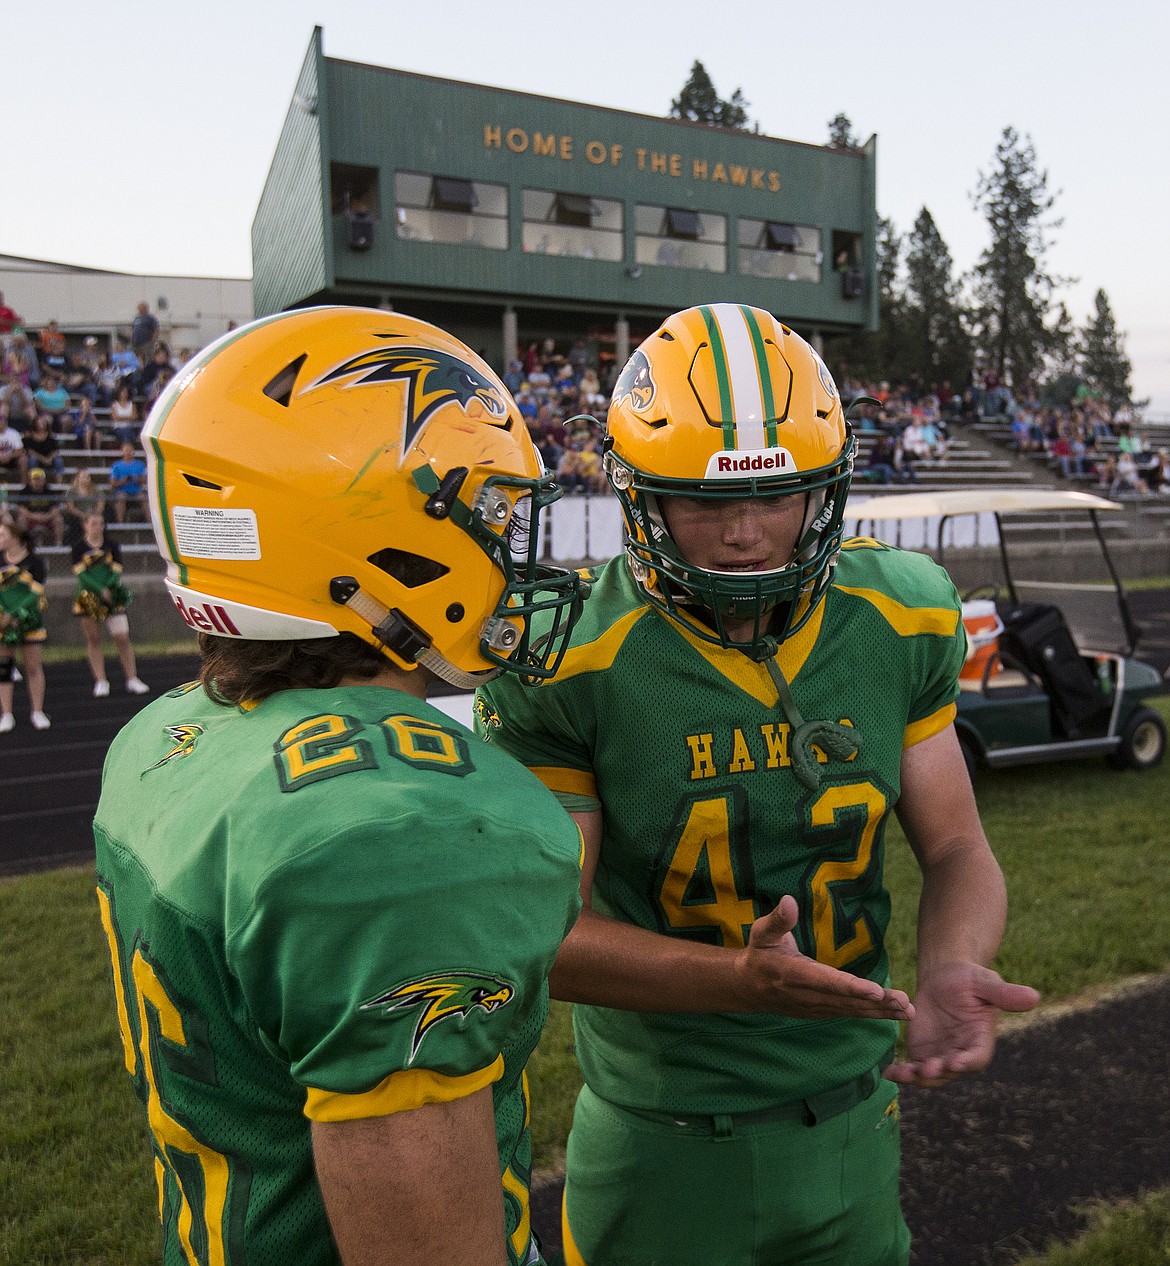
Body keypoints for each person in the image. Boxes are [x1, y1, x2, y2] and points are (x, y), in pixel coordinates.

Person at [477, 305, 1039, 1266]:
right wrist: (735, 980)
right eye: (701, 501)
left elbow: (954, 845)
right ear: (634, 493)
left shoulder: (901, 611)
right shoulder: (567, 654)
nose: (744, 534)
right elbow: (546, 935)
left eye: (777, 496)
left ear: (825, 488)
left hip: (860, 1119)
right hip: (670, 1134)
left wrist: (952, 959)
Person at [93, 306, 590, 1266]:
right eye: (490, 515)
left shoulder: (165, 732)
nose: (510, 551)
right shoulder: (397, 831)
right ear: (378, 541)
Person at [72, 511, 149, 696]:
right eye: (93, 523)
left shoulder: (112, 545)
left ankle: (132, 678)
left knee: (122, 637)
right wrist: (100, 589)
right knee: (94, 639)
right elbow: (81, 574)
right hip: (88, 598)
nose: (97, 527)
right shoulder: (78, 548)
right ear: (85, 526)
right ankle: (101, 680)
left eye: (100, 523)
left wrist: (109, 588)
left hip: (112, 597)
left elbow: (117, 569)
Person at [0, 515, 50, 731]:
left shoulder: (35, 562)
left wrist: (16, 613)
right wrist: (4, 614)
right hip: (3, 622)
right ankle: (7, 714)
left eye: (2, 535)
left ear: (15, 537)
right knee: (4, 667)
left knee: (33, 667)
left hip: (28, 620)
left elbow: (36, 593)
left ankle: (37, 711)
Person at [108, 440, 146, 522]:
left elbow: (145, 480)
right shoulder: (116, 465)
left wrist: (137, 479)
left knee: (144, 497)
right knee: (121, 497)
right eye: (126, 451)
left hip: (136, 491)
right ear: (122, 452)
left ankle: (150, 521)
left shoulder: (140, 464)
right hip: (122, 491)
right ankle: (120, 522)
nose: (128, 453)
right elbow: (113, 482)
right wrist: (124, 481)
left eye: (130, 450)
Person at [129, 300, 159, 366]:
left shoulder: (150, 318)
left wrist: (152, 341)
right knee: (136, 358)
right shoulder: (137, 318)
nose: (139, 309)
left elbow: (155, 330)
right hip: (135, 343)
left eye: (141, 307)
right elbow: (133, 328)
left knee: (147, 358)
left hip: (146, 342)